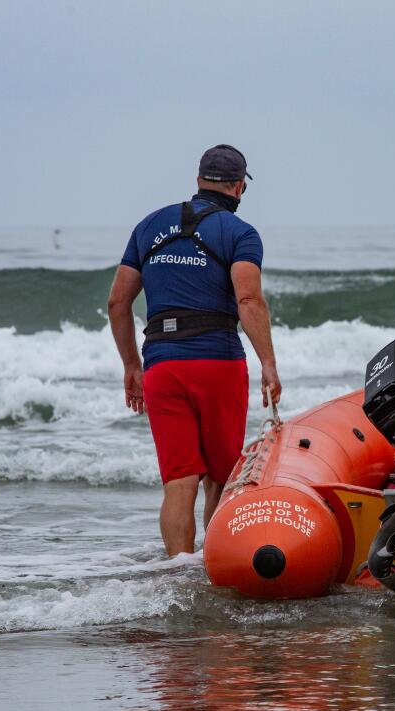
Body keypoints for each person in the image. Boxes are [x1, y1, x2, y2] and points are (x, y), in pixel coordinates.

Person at [107, 144, 282, 556]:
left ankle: (176, 575)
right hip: (216, 363)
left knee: (179, 481)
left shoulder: (148, 225)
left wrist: (132, 365)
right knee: (220, 477)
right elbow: (249, 300)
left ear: (200, 180)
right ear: (239, 187)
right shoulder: (240, 233)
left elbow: (118, 302)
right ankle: (214, 567)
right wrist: (269, 364)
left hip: (161, 366)